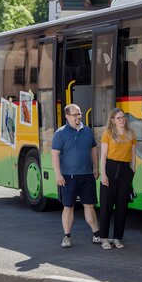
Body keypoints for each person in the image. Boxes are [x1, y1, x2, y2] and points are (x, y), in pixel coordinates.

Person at [51, 104, 100, 249]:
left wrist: (96, 168)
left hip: (87, 175)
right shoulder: (60, 133)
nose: (78, 117)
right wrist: (58, 174)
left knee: (89, 205)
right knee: (68, 206)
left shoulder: (88, 131)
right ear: (67, 116)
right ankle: (67, 236)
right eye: (75, 115)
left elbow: (93, 149)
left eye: (79, 114)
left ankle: (96, 234)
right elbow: (55, 154)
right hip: (68, 176)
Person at [98, 108, 137, 250]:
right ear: (113, 120)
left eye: (123, 117)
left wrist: (133, 171)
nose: (122, 119)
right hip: (110, 168)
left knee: (122, 206)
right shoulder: (107, 134)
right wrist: (103, 174)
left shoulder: (131, 134)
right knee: (106, 206)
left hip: (125, 170)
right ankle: (104, 238)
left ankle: (118, 238)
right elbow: (103, 156)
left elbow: (133, 156)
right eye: (119, 117)